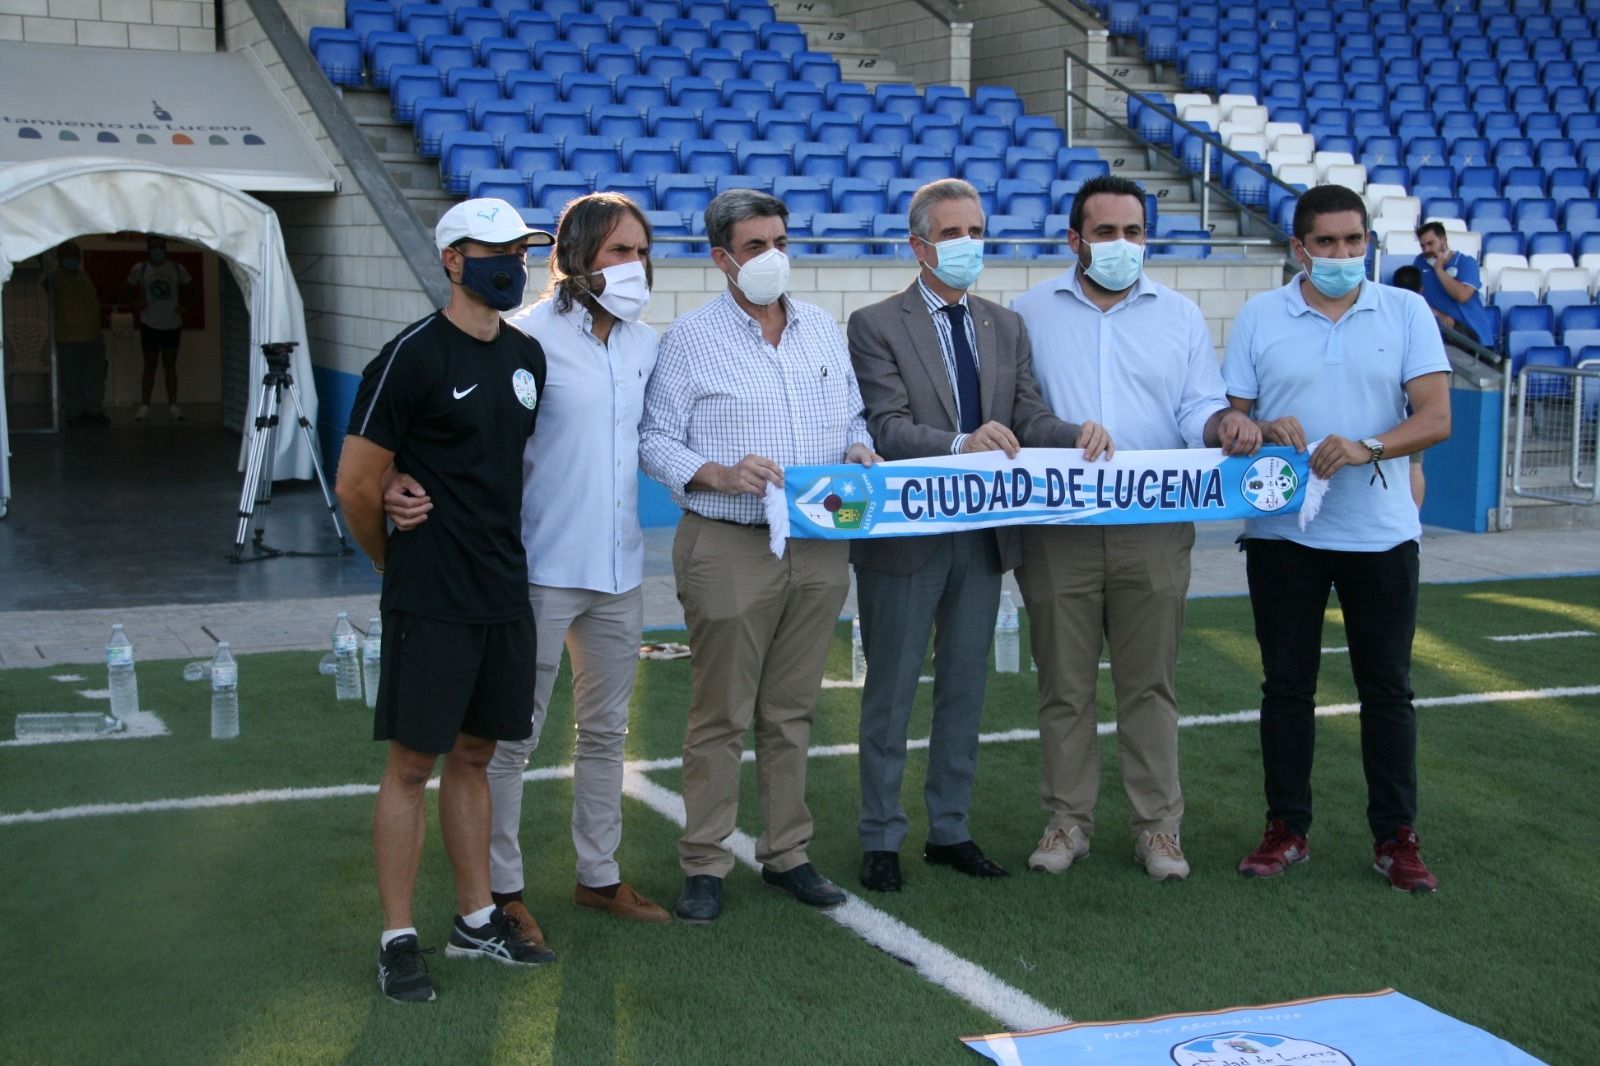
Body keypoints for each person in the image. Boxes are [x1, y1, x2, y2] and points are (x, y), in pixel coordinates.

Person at [385, 193, 671, 925]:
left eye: (641, 252)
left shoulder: (647, 344)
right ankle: (503, 894)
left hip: (620, 571)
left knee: (607, 732)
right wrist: (393, 480)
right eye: (618, 252)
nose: (635, 266)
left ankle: (598, 875)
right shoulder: (525, 339)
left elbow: (656, 440)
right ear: (575, 259)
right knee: (507, 741)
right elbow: (465, 440)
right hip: (535, 569)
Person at [846, 178, 1109, 894]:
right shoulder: (875, 323)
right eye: (954, 233)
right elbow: (888, 426)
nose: (969, 245)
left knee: (965, 690)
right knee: (892, 692)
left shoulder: (1004, 324)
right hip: (906, 534)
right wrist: (963, 443)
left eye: (976, 231)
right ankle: (880, 836)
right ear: (919, 245)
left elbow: (1025, 415)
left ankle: (950, 830)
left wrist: (1071, 433)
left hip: (984, 535)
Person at [334, 198, 557, 1004]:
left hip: (504, 589)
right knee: (410, 765)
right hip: (430, 595)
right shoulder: (411, 356)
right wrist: (398, 563)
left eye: (520, 250)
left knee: (476, 756)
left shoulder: (528, 355)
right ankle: (397, 939)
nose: (511, 261)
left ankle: (474, 920)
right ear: (451, 261)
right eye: (492, 249)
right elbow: (359, 485)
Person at [1009, 174, 1262, 883]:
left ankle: (1159, 829)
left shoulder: (1179, 316)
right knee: (1064, 684)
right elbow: (1023, 410)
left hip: (1154, 523)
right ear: (1075, 240)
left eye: (1134, 232)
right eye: (1106, 232)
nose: (1122, 245)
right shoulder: (1027, 313)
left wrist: (1224, 425)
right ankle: (1067, 822)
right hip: (1059, 527)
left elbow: (1198, 408)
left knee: (1149, 684)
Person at [639, 189, 878, 923]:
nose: (772, 256)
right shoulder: (688, 339)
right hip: (729, 543)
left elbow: (853, 414)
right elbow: (653, 439)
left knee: (792, 710)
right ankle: (705, 862)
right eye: (754, 246)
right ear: (721, 258)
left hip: (817, 545)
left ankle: (788, 853)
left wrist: (860, 446)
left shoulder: (820, 331)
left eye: (779, 240)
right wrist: (715, 471)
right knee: (721, 712)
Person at [1224, 185, 1451, 894]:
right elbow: (1231, 425)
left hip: (1381, 535)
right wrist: (1263, 430)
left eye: (1354, 242)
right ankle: (1286, 827)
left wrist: (1369, 446)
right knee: (1286, 687)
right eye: (1326, 243)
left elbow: (1438, 416)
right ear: (1298, 248)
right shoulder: (1260, 315)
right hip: (1282, 533)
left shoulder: (1407, 310)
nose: (1343, 255)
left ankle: (1397, 837)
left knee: (1388, 691)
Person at [123, 235, 193, 422]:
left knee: (170, 365)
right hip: (149, 323)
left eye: (160, 247)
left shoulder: (176, 268)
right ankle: (145, 405)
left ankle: (173, 404)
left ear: (165, 248)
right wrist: (136, 302)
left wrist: (185, 306)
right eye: (154, 247)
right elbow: (127, 287)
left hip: (172, 323)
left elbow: (191, 287)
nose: (157, 251)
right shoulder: (140, 269)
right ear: (148, 249)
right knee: (150, 365)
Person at [47, 242, 109, 427]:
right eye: (68, 256)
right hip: (68, 337)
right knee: (71, 379)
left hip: (92, 335)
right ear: (60, 259)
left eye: (74, 256)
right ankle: (74, 413)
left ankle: (93, 410)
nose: (72, 260)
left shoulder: (83, 276)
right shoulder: (53, 279)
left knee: (94, 377)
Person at [1412, 222, 1492, 347]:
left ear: (1443, 240)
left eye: (1430, 243)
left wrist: (1438, 269)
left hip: (1475, 337)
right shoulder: (1420, 263)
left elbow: (1462, 295)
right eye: (1422, 246)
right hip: (1445, 339)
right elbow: (1415, 297)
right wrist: (1438, 314)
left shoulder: (1466, 262)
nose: (1426, 249)